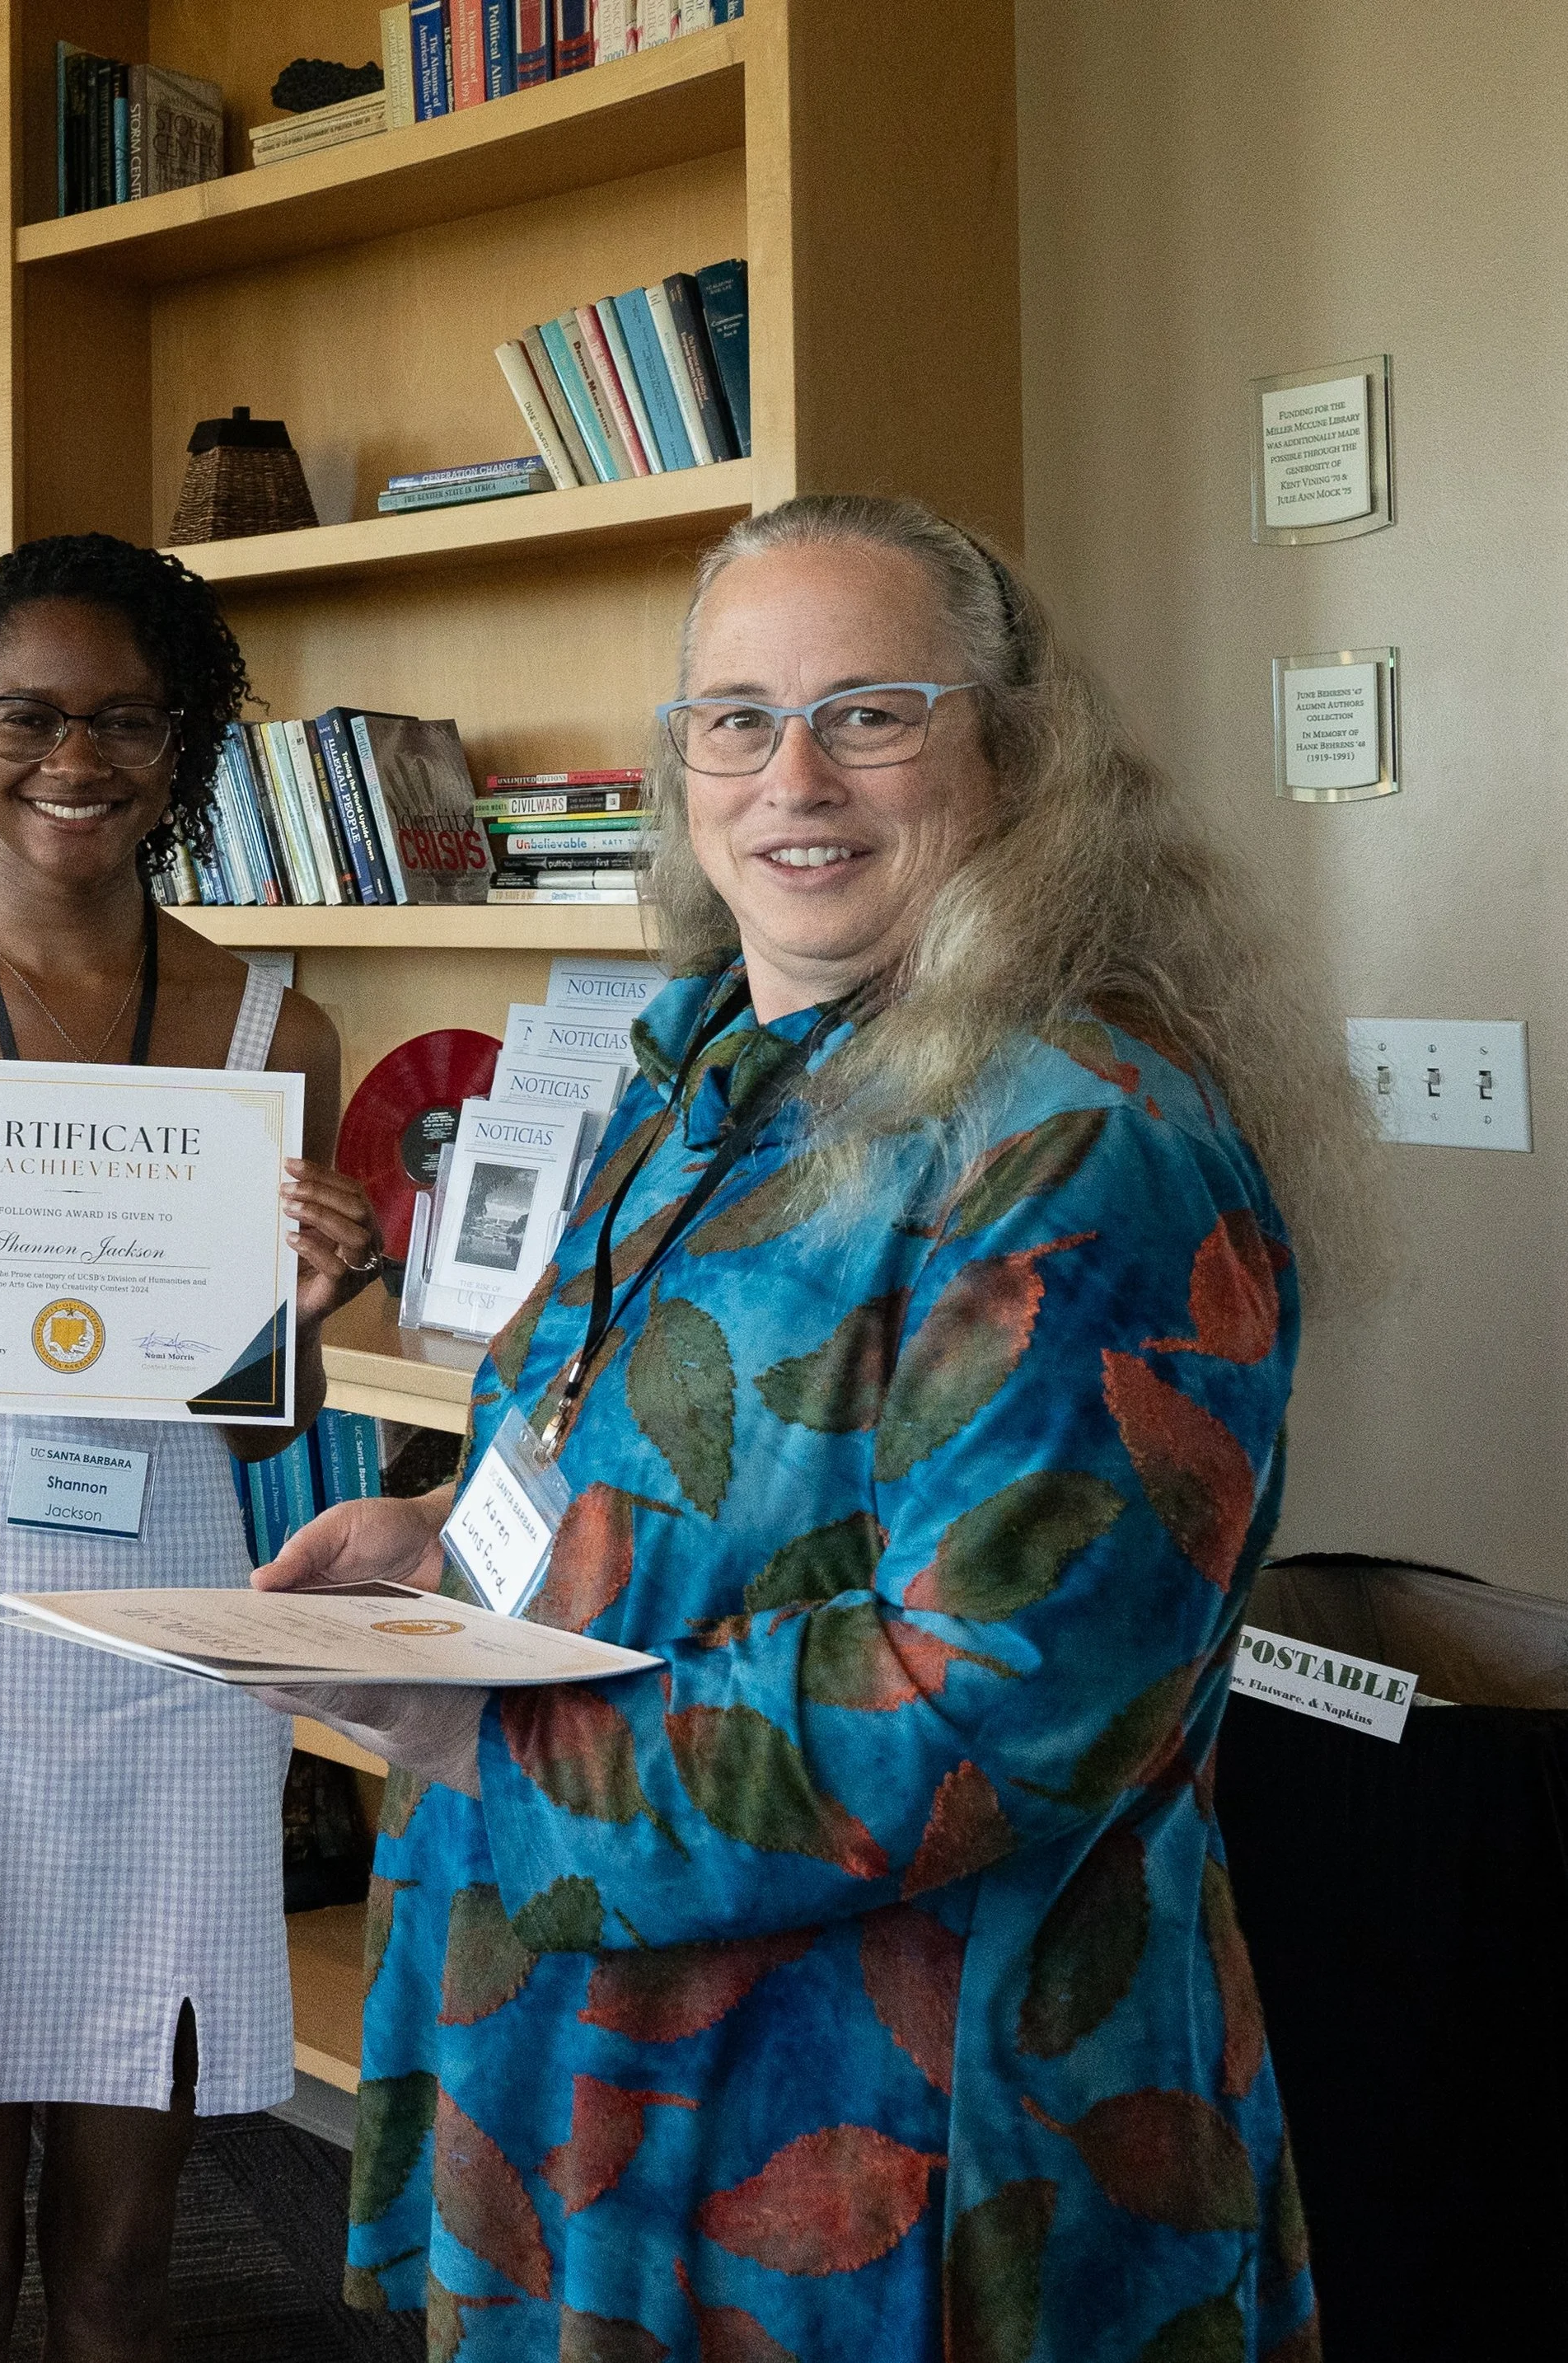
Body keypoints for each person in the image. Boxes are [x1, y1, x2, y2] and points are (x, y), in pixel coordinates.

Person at [257, 495, 1369, 2361]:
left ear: (1009, 754)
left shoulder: (1078, 1139)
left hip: (888, 2131)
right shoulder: (709, 1054)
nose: (794, 773)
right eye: (736, 716)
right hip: (595, 2069)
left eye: (872, 711)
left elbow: (987, 1699)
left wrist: (489, 1733)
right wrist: (450, 1529)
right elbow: (635, 1437)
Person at [0, 534, 382, 2363]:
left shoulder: (276, 1028)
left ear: (182, 743)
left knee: (124, 2263)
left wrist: (311, 1305)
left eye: (124, 717)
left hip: (167, 1656)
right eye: (27, 714)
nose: (73, 756)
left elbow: (256, 1415)